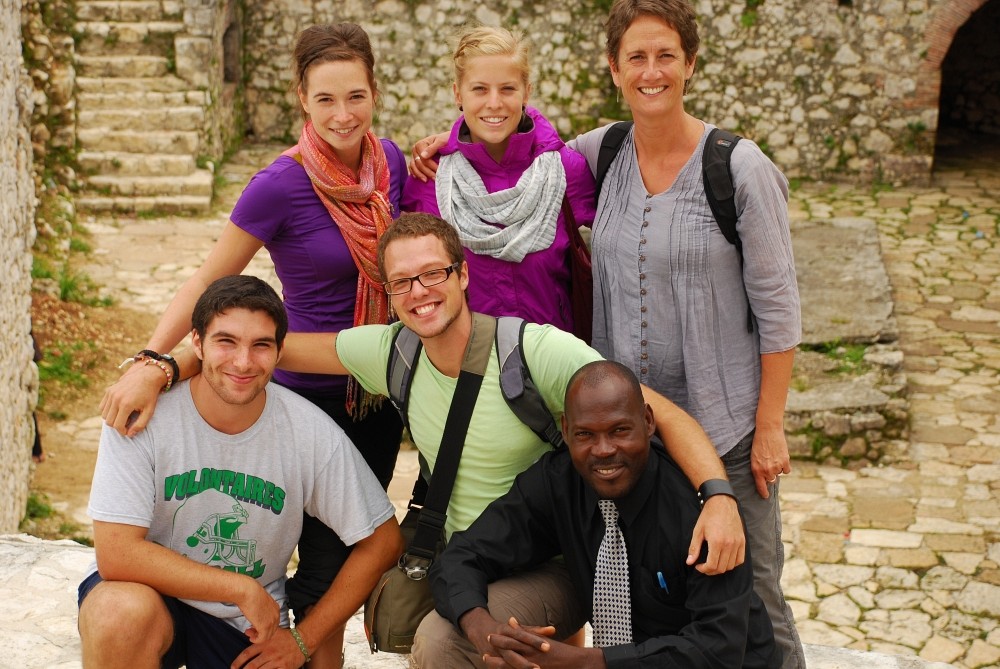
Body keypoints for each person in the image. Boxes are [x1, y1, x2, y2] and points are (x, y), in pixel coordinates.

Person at [101, 213, 746, 668]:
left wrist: (717, 495)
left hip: (554, 554)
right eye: (403, 282)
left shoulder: (534, 351)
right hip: (471, 552)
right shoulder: (392, 353)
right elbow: (250, 349)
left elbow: (654, 411)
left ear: (463, 275)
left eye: (433, 273)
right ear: (389, 294)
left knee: (450, 642)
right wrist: (159, 368)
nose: (420, 291)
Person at [409, 4, 804, 666]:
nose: (652, 72)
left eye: (666, 56)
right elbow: (527, 151)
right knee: (627, 584)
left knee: (752, 593)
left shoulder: (740, 168)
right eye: (637, 58)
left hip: (726, 431)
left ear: (691, 63)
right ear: (614, 68)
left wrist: (770, 425)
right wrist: (442, 144)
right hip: (624, 430)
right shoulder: (600, 154)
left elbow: (780, 307)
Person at [100, 22, 406, 667]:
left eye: (355, 96)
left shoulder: (391, 165)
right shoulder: (279, 184)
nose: (342, 114)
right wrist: (157, 360)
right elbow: (211, 279)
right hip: (303, 390)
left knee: (329, 585)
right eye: (325, 99)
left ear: (375, 91)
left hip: (373, 401)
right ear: (301, 97)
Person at [78, 275, 403, 669]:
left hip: (248, 628)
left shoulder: (307, 430)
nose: (243, 362)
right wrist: (238, 587)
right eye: (226, 341)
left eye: (261, 345)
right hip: (153, 598)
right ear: (196, 343)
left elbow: (383, 541)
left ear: (280, 350)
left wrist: (303, 641)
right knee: (117, 612)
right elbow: (116, 554)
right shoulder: (143, 415)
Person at [428, 360, 781, 668]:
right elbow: (463, 554)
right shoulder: (557, 482)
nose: (604, 450)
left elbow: (718, 651)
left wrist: (584, 664)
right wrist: (482, 629)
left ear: (647, 422)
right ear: (566, 431)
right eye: (585, 435)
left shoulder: (700, 514)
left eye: (619, 430)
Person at [402, 26, 596, 334]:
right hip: (466, 369)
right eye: (479, 89)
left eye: (507, 89)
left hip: (553, 365)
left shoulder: (565, 171)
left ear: (526, 93)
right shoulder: (430, 180)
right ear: (458, 95)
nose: (494, 103)